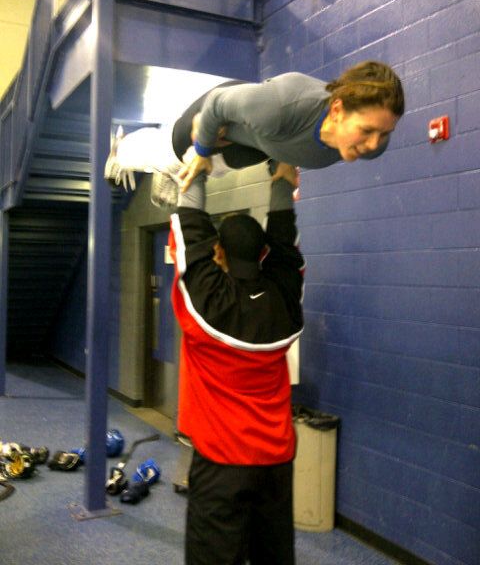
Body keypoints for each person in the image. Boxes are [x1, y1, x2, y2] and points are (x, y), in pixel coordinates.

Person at [168, 160, 304, 565]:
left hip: (221, 465)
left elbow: (190, 237)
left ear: (219, 253)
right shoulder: (285, 303)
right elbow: (285, 249)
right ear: (261, 253)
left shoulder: (205, 310)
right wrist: (283, 178)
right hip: (275, 464)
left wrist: (200, 158)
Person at [104, 61, 404, 204]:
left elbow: (294, 139)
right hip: (213, 119)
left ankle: (171, 172)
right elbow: (216, 104)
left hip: (246, 147)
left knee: (214, 172)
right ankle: (120, 150)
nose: (374, 144)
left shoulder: (368, 144)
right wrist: (202, 151)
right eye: (367, 131)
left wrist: (283, 160)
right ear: (337, 111)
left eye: (384, 133)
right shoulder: (280, 106)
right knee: (166, 155)